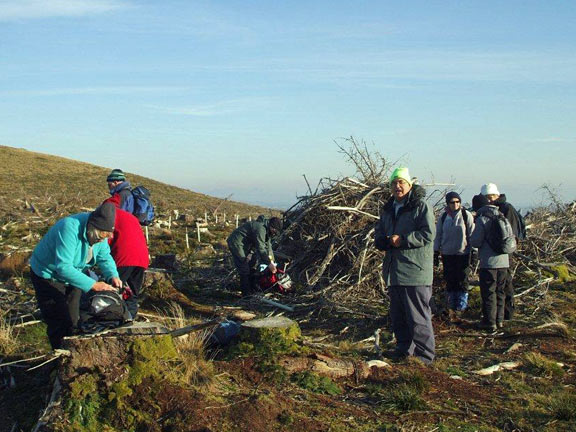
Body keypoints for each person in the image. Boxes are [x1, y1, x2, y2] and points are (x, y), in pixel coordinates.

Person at [29, 203, 121, 349]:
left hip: (76, 273)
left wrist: (112, 275)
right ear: (92, 227)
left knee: (73, 316)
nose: (101, 240)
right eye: (99, 237)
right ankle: (58, 353)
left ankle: (72, 348)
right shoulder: (69, 228)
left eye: (105, 237)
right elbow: (63, 267)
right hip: (47, 275)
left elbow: (104, 256)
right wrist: (94, 284)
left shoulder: (101, 234)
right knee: (57, 317)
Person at [374, 167, 436, 364]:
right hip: (394, 271)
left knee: (418, 316)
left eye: (401, 182)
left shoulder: (421, 206)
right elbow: (379, 232)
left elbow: (428, 234)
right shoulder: (388, 209)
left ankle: (425, 357)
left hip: (415, 270)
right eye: (394, 183)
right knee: (398, 315)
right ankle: (403, 350)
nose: (397, 186)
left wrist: (403, 240)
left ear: (410, 184)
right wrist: (382, 241)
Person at [481, 183, 523, 320]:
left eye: (491, 196)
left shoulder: (506, 208)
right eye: (487, 197)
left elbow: (511, 233)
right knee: (501, 284)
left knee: (505, 283)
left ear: (497, 195)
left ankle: (507, 312)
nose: (489, 199)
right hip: (501, 251)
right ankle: (501, 315)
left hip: (504, 252)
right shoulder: (501, 208)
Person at [469, 194, 510, 332]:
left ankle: (489, 322)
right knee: (500, 291)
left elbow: (476, 241)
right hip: (504, 261)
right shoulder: (501, 215)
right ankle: (499, 320)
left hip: (489, 262)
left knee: (488, 292)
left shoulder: (483, 219)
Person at [434, 192, 474, 322]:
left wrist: (474, 251)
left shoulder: (465, 215)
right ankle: (451, 306)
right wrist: (435, 251)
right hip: (447, 253)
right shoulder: (443, 216)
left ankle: (461, 307)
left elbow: (472, 233)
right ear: (447, 203)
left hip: (463, 253)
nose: (455, 204)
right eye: (452, 202)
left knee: (462, 279)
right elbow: (438, 234)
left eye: (457, 201)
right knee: (450, 279)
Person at [108, 208, 150, 318]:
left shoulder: (110, 216)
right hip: (142, 258)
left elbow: (106, 240)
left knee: (111, 290)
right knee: (133, 293)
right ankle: (130, 317)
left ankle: (110, 318)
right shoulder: (130, 217)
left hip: (123, 258)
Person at [227, 216, 283, 295]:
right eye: (274, 230)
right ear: (271, 226)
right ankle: (246, 294)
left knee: (252, 264)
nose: (274, 233)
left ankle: (252, 288)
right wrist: (269, 263)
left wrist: (272, 262)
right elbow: (261, 247)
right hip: (236, 243)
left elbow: (268, 247)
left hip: (246, 245)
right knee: (244, 267)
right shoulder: (260, 228)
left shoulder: (267, 230)